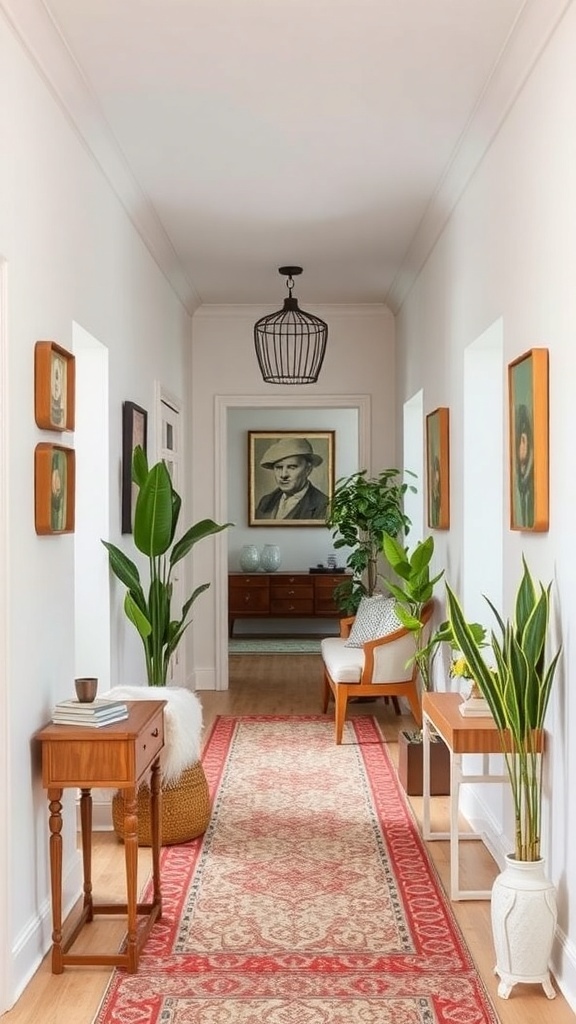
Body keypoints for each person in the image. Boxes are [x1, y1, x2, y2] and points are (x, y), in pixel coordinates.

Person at [255, 437, 329, 521]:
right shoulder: (266, 501)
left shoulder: (324, 505)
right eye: (279, 467)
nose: (283, 475)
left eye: (292, 467)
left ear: (308, 469)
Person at [514, 403, 534, 527]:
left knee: (525, 495)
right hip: (522, 467)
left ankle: (526, 523)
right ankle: (524, 522)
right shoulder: (520, 434)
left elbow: (529, 452)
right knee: (522, 495)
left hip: (525, 467)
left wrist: (526, 474)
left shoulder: (525, 434)